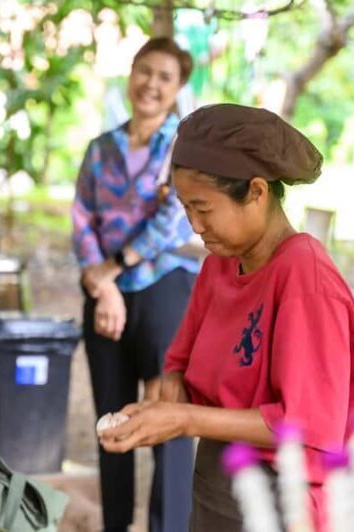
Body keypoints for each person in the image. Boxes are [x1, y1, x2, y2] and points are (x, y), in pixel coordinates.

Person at [98, 103, 354, 531]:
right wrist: (162, 403)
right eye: (186, 209)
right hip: (216, 488)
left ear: (256, 192)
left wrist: (184, 419)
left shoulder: (305, 278)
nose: (195, 226)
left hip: (279, 502)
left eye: (204, 209)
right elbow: (181, 370)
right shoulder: (219, 264)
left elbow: (309, 425)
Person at [71, 37, 201, 532]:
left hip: (165, 286)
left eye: (164, 77)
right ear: (130, 74)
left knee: (168, 413)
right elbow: (81, 218)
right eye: (144, 71)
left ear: (178, 88)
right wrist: (101, 285)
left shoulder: (183, 148)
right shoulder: (100, 148)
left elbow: (173, 221)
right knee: (113, 418)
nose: (151, 83)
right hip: (104, 291)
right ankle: (116, 526)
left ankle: (168, 525)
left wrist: (114, 267)